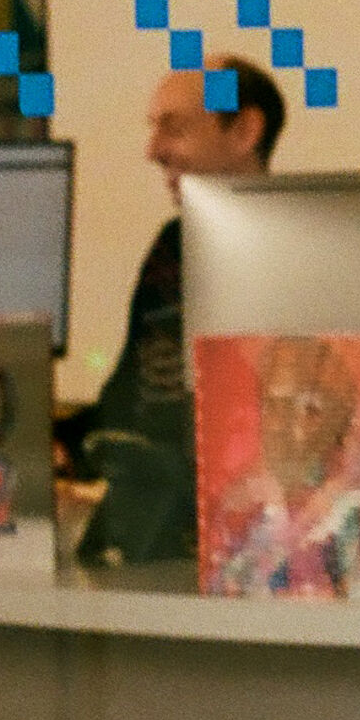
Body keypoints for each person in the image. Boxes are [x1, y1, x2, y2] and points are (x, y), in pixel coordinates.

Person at [57, 59, 284, 566]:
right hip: (153, 537)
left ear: (246, 129)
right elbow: (126, 394)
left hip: (263, 548)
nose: (153, 151)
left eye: (175, 128)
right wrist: (59, 450)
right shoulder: (172, 248)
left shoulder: (309, 252)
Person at [207, 335, 360, 600]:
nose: (280, 425)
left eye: (307, 410)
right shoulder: (242, 516)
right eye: (273, 406)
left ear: (338, 424)